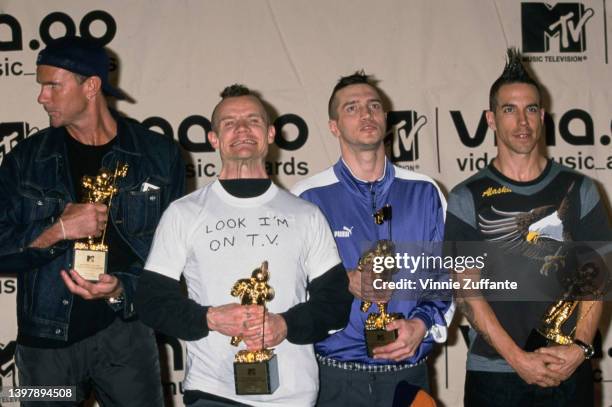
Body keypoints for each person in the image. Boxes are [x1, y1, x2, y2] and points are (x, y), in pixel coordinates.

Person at [135, 84, 352, 407]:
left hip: (292, 395)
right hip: (214, 391)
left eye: (252, 120)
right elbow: (151, 301)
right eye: (229, 122)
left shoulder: (305, 215)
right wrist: (210, 318)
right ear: (213, 138)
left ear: (270, 134)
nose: (241, 129)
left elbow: (335, 303)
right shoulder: (184, 213)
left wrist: (285, 325)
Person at [0, 36, 185, 406]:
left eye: (53, 85)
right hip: (42, 346)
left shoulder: (159, 155)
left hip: (128, 335)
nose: (41, 97)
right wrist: (59, 229)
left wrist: (122, 289)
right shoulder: (24, 160)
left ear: (91, 86)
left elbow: (174, 254)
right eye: (41, 85)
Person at [445, 48, 611, 406]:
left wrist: (580, 348)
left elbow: (598, 277)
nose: (522, 121)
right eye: (509, 109)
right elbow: (467, 293)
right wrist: (517, 359)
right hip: (495, 375)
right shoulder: (466, 197)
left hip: (568, 369)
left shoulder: (581, 190)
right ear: (491, 119)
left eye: (531, 109)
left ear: (543, 116)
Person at [291, 71, 453, 407]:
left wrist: (421, 325)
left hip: (408, 372)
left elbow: (447, 275)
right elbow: (289, 290)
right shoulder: (307, 198)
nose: (366, 114)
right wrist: (340, 281)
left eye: (373, 106)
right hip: (335, 378)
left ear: (385, 118)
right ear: (334, 126)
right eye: (352, 108)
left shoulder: (425, 192)